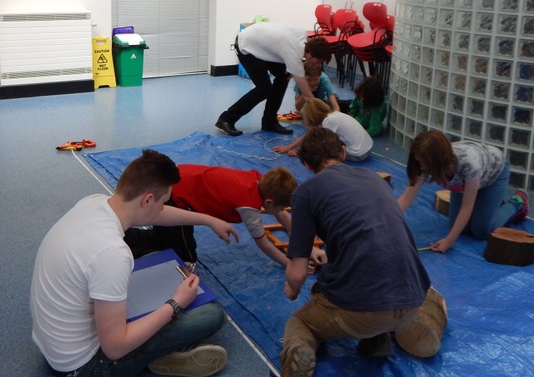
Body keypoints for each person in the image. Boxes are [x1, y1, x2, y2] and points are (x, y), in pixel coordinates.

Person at [30, 149, 241, 377]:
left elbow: (156, 214)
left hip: (56, 348)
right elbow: (114, 348)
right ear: (148, 200)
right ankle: (157, 358)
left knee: (149, 270)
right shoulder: (113, 253)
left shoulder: (95, 202)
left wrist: (209, 220)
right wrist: (176, 303)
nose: (163, 207)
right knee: (212, 315)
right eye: (162, 202)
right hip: (84, 368)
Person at [280, 128, 430, 377]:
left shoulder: (305, 193)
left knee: (301, 321)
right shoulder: (374, 178)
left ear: (306, 164)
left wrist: (292, 290)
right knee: (369, 277)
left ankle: (302, 348)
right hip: (414, 298)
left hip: (362, 310)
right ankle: (377, 339)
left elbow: (296, 274)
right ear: (343, 151)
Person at [124, 164, 298, 268]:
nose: (281, 211)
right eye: (281, 207)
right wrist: (288, 263)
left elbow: (281, 212)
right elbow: (264, 244)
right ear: (268, 203)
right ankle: (127, 248)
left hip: (178, 177)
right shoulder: (249, 206)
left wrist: (304, 244)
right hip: (174, 196)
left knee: (163, 238)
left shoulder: (260, 180)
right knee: (187, 260)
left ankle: (125, 235)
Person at [397, 130, 529, 253]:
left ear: (438, 162)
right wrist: (386, 220)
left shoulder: (469, 165)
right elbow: (405, 199)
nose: (421, 167)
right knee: (461, 228)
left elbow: (466, 207)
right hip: (465, 185)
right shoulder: (427, 163)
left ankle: (517, 203)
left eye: (424, 163)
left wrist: (449, 241)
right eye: (419, 161)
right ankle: (490, 203)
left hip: (493, 175)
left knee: (481, 231)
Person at [215, 22, 332, 137]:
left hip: (261, 44)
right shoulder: (294, 52)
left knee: (284, 76)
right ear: (310, 54)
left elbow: (291, 62)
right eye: (319, 62)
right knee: (264, 89)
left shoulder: (303, 37)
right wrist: (322, 116)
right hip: (247, 46)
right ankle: (226, 119)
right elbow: (308, 96)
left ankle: (269, 122)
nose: (318, 66)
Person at [273, 99, 373, 162]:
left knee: (322, 151)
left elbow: (320, 145)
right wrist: (289, 147)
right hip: (368, 147)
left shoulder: (328, 121)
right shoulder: (333, 115)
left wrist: (301, 153)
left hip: (359, 154)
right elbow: (309, 134)